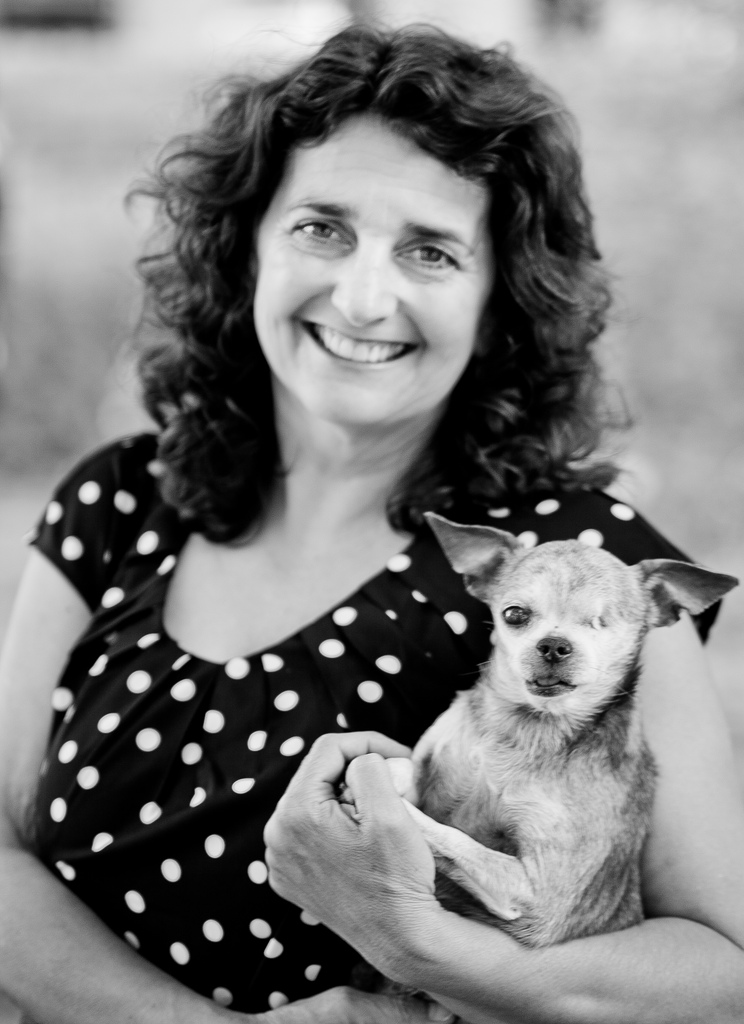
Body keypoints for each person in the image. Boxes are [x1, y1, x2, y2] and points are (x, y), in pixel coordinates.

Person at [0, 21, 741, 1024]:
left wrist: (418, 946)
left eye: (430, 251)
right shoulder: (119, 500)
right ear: (248, 243)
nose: (361, 296)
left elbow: (723, 970)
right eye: (323, 228)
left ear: (499, 300)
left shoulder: (582, 570)